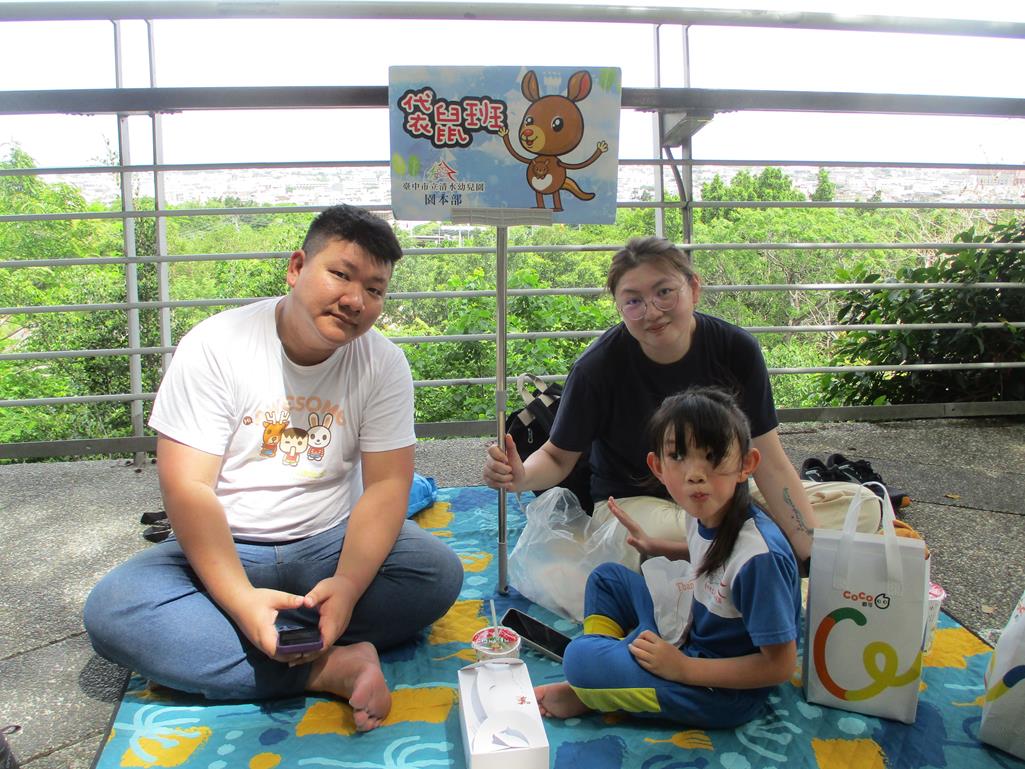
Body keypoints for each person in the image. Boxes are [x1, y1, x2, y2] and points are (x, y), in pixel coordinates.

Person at [84, 204, 463, 732]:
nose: (356, 300)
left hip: (331, 543)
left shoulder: (382, 362)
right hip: (228, 545)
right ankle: (325, 668)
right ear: (296, 267)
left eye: (375, 290)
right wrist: (240, 600)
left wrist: (349, 586)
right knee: (114, 612)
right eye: (341, 274)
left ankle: (257, 643)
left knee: (436, 575)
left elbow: (387, 486)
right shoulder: (216, 346)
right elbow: (188, 487)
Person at [484, 235, 821, 566]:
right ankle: (744, 552)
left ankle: (748, 551)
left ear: (694, 288)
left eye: (664, 292)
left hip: (722, 490)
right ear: (619, 309)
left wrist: (812, 552)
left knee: (844, 512)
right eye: (634, 301)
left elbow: (770, 462)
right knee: (712, 538)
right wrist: (520, 476)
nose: (652, 312)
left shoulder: (736, 350)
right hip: (635, 502)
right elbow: (558, 457)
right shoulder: (597, 368)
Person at [535, 387, 801, 727]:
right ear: (658, 466)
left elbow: (779, 666)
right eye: (678, 456)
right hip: (689, 628)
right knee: (607, 579)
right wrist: (656, 546)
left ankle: (596, 685)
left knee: (579, 659)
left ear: (745, 464)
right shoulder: (705, 509)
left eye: (713, 456)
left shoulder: (760, 558)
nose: (695, 473)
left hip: (720, 690)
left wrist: (683, 668)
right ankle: (607, 679)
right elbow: (711, 553)